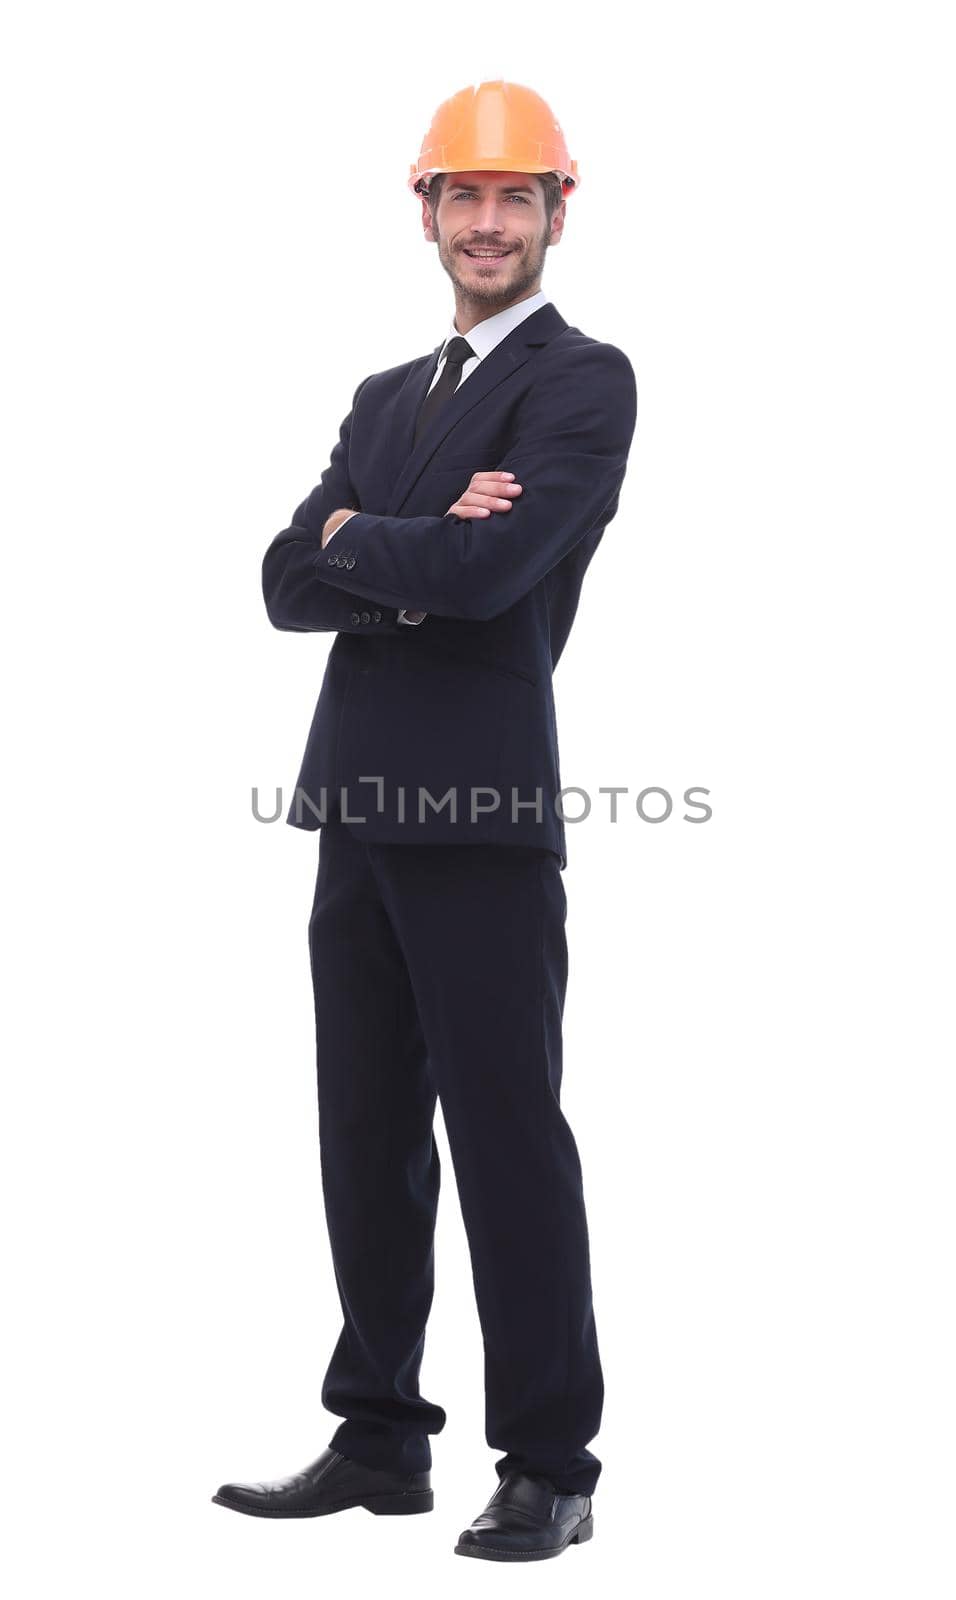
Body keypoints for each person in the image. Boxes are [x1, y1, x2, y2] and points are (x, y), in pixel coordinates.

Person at [213, 79, 638, 1563]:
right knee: (367, 1131)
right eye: (463, 196)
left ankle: (551, 1464)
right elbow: (279, 578)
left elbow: (490, 574)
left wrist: (363, 547)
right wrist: (394, 539)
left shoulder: (586, 383)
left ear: (555, 214)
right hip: (355, 806)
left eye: (516, 198)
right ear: (427, 211)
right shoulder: (388, 396)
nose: (487, 222)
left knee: (507, 1134)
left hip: (481, 814)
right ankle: (382, 1435)